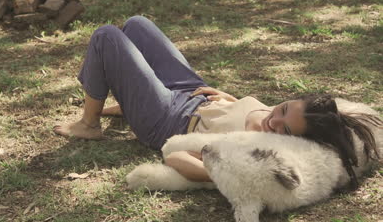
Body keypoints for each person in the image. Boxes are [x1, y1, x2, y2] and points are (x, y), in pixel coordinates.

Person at [53, 16, 381, 186]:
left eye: (282, 128)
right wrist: (229, 99)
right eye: (282, 110)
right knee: (138, 25)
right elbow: (253, 113)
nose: (273, 121)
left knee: (107, 36)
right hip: (195, 92)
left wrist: (217, 173)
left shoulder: (257, 150)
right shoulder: (280, 117)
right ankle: (130, 101)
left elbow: (180, 157)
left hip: (169, 120)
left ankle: (90, 123)